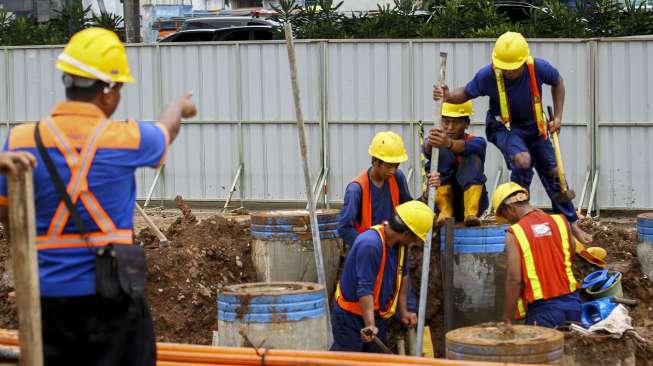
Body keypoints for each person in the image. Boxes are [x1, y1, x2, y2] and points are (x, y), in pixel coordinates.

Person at [0, 27, 197, 365]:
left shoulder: (19, 140)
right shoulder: (126, 138)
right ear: (107, 92)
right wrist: (177, 106)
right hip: (113, 300)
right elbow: (167, 129)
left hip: (47, 300)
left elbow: (6, 213)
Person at [432, 31, 592, 244]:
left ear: (524, 61)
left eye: (513, 68)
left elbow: (558, 82)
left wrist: (559, 117)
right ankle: (518, 214)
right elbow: (466, 93)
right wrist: (448, 96)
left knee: (554, 172)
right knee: (522, 160)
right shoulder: (488, 75)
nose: (508, 72)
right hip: (503, 127)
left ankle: (570, 223)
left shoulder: (539, 68)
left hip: (535, 127)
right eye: (504, 68)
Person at [331, 200, 435, 352]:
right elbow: (364, 289)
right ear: (406, 233)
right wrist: (370, 325)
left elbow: (403, 277)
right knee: (348, 359)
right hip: (350, 317)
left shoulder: (401, 246)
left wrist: (403, 311)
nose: (415, 242)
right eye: (415, 238)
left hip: (376, 315)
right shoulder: (370, 245)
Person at [492, 182, 581, 328]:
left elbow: (514, 278)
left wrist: (507, 317)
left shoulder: (515, 233)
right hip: (573, 305)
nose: (508, 221)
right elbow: (569, 256)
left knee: (540, 351)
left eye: (505, 216)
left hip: (543, 311)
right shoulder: (561, 221)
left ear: (509, 208)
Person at [338, 131, 439, 246]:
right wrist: (369, 244)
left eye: (396, 166)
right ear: (375, 161)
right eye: (388, 166)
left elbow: (409, 211)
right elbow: (344, 229)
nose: (393, 170)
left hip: (393, 246)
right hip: (369, 250)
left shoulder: (397, 178)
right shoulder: (356, 189)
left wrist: (426, 196)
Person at [423, 101, 488, 227]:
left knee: (472, 156)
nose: (450, 127)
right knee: (441, 153)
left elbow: (468, 147)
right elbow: (426, 148)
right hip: (442, 205)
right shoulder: (436, 143)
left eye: (456, 122)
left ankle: (471, 214)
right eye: (446, 122)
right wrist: (433, 141)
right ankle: (445, 210)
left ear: (467, 124)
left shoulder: (478, 142)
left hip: (471, 204)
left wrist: (449, 143)